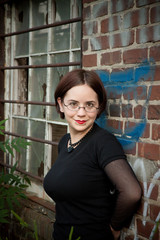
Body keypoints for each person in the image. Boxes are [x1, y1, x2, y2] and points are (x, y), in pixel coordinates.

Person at [43, 69, 142, 240]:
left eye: (89, 105)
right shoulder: (65, 141)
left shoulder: (103, 142)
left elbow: (131, 192)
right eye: (73, 104)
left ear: (99, 107)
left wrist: (114, 227)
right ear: (60, 104)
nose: (81, 113)